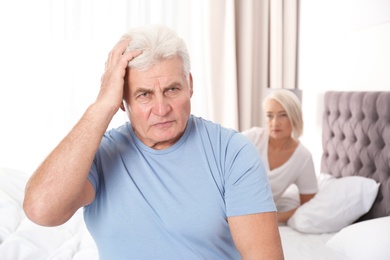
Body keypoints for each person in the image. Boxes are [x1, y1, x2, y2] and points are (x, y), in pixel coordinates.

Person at [23, 25, 284, 259]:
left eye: (172, 89)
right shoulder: (101, 156)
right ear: (122, 101)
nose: (161, 109)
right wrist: (101, 106)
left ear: (189, 85)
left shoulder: (232, 152)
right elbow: (40, 210)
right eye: (144, 95)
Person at [242, 89, 318, 223]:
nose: (275, 123)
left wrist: (275, 218)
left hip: (253, 218)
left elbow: (309, 206)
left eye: (283, 115)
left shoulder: (303, 157)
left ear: (294, 117)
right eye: (269, 115)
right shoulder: (253, 138)